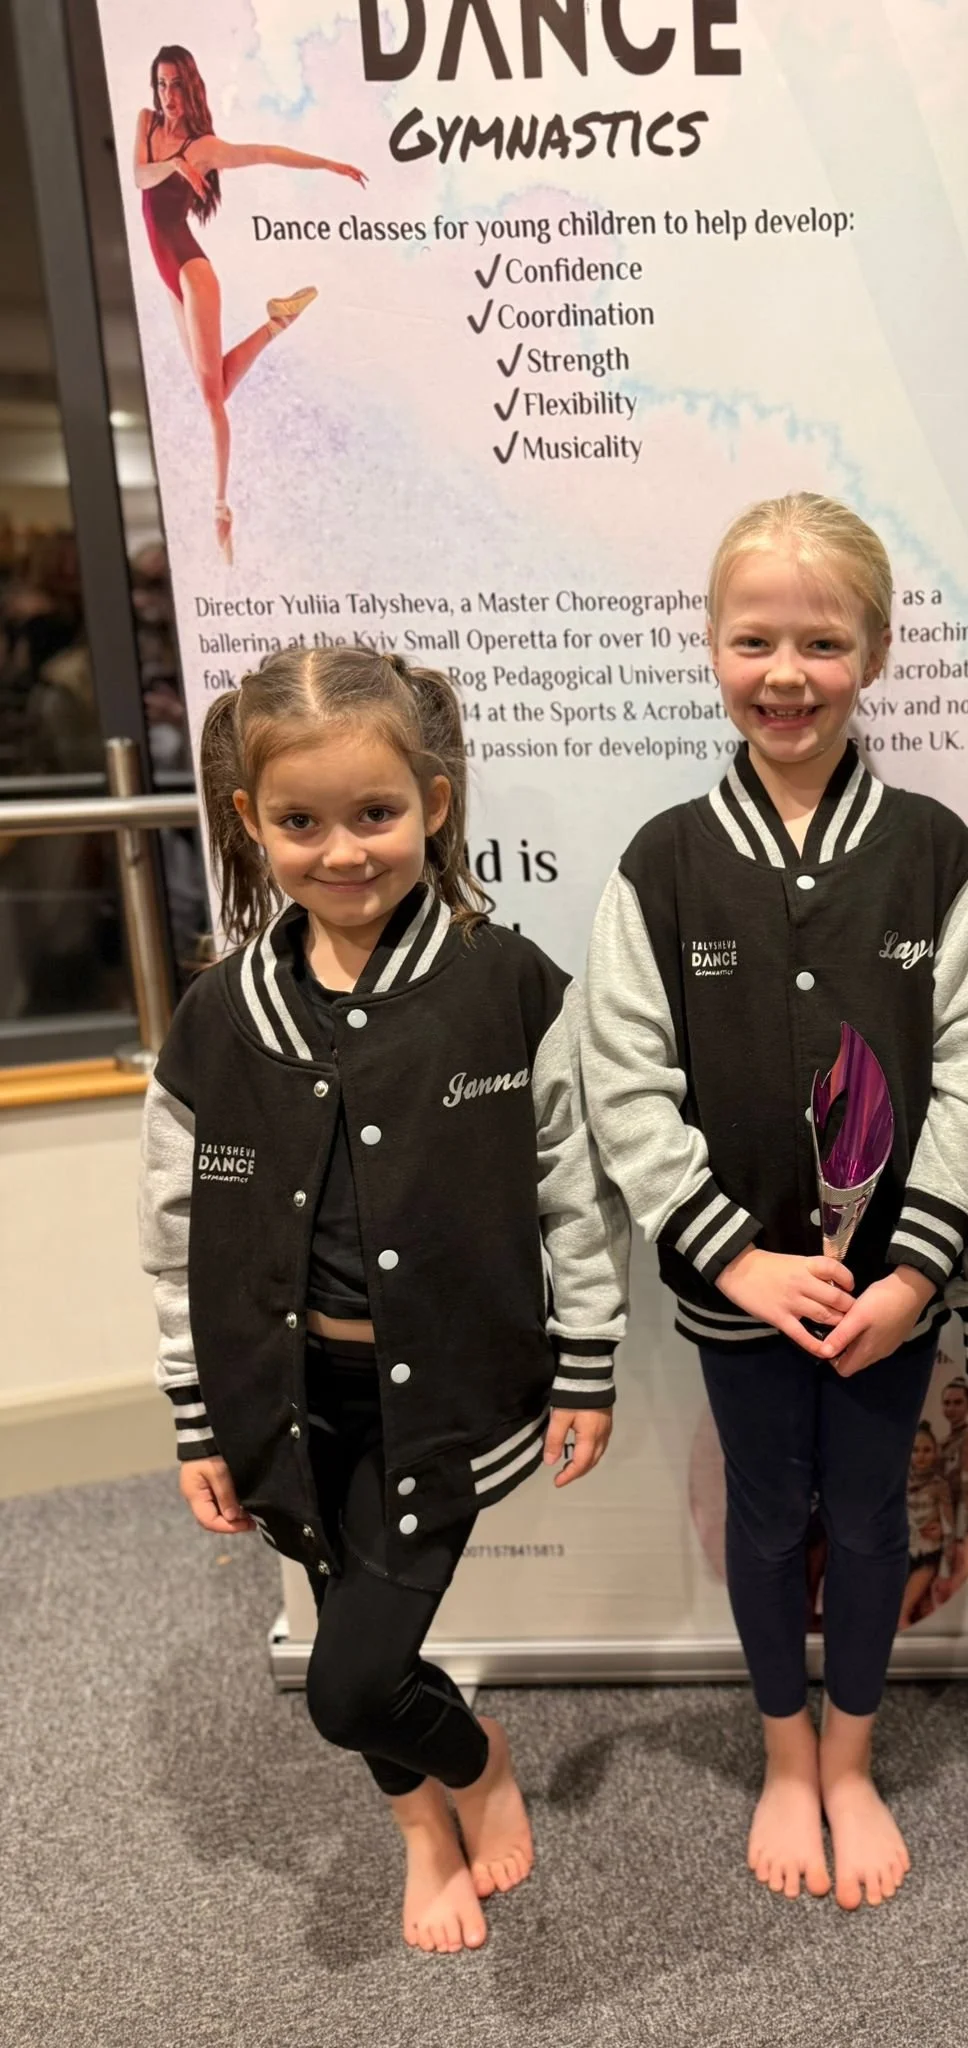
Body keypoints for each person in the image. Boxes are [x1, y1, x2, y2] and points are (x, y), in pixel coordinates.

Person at [139, 645, 627, 1954]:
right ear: (250, 825)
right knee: (354, 1649)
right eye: (300, 823)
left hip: (448, 1405)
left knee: (349, 1680)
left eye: (376, 814)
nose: (342, 851)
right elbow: (173, 1225)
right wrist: (196, 1414)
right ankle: (423, 1830)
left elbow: (576, 1190)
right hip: (287, 1403)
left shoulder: (506, 986)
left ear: (437, 801)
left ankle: (478, 1766)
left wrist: (589, 1360)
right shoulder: (218, 1018)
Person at [581, 492, 968, 1909]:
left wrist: (914, 1276)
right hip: (738, 1293)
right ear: (711, 648)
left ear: (874, 652)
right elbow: (623, 1085)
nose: (786, 672)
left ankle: (853, 1761)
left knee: (874, 1516)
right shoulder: (664, 861)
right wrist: (737, 1262)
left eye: (821, 641)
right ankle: (782, 1760)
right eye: (753, 638)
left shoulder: (941, 855)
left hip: (890, 1296)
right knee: (769, 1518)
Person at [132, 44, 366, 564]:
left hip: (193, 273)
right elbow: (138, 178)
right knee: (212, 384)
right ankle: (277, 323)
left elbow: (264, 152)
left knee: (212, 399)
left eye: (175, 84)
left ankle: (220, 508)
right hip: (171, 277)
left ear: (190, 86)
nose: (168, 95)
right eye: (161, 84)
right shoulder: (148, 126)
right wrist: (173, 162)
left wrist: (327, 163)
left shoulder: (206, 146)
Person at [929, 1374, 968, 1609]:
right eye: (947, 1403)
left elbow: (966, 1490)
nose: (951, 1408)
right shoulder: (943, 1441)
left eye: (957, 1402)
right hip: (947, 1524)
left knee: (950, 1590)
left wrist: (958, 1537)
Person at [899, 1421, 953, 1629]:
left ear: (935, 1453)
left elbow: (948, 1527)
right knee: (917, 1611)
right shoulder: (900, 1481)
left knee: (903, 1613)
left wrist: (946, 1571)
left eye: (927, 1450)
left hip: (927, 1556)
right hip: (902, 1552)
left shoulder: (940, 1485)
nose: (921, 1456)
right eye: (916, 1450)